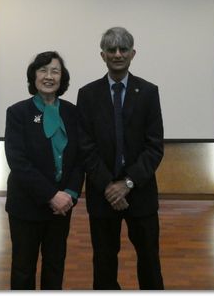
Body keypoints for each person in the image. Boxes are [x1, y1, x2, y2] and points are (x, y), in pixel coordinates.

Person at [77, 27, 164, 290]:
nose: (117, 54)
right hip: (102, 194)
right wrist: (109, 186)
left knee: (149, 260)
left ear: (132, 54)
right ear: (102, 55)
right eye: (111, 49)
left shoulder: (148, 92)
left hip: (141, 191)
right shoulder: (87, 94)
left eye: (123, 49)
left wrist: (126, 184)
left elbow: (154, 147)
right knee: (103, 261)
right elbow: (85, 148)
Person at [4, 51, 84, 290]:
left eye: (55, 71)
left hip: (62, 206)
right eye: (43, 70)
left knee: (55, 265)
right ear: (34, 76)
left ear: (62, 78)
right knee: (23, 268)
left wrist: (69, 192)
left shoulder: (73, 112)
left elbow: (80, 158)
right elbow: (18, 162)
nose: (49, 76)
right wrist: (52, 195)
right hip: (27, 205)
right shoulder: (18, 113)